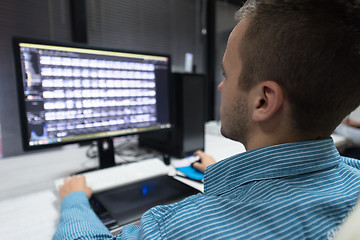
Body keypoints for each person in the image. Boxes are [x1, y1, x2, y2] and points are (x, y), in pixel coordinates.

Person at [53, 0, 360, 239]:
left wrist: (75, 200)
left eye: (227, 73)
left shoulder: (180, 229)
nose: (220, 86)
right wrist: (221, 173)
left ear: (263, 100)